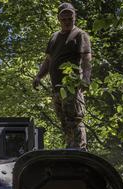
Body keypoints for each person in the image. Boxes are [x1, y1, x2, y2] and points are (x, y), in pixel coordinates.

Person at [33, 3, 92, 150]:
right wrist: (39, 76)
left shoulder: (80, 35)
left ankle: (79, 149)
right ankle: (70, 146)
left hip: (72, 86)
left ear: (74, 17)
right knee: (64, 120)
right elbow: (48, 60)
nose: (67, 20)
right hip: (57, 88)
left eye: (70, 17)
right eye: (63, 17)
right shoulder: (54, 37)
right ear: (59, 19)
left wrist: (86, 78)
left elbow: (86, 58)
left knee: (75, 118)